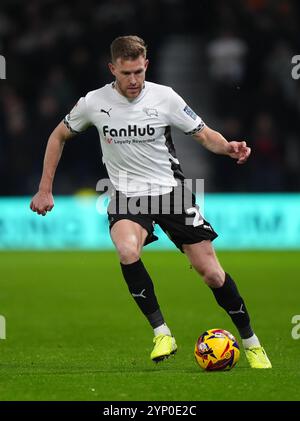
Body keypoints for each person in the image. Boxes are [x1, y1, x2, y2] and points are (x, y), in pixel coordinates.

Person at [30, 35, 271, 368]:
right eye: (126, 73)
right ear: (112, 68)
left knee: (212, 274)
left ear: (147, 66)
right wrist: (45, 188)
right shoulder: (93, 102)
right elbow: (58, 135)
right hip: (126, 194)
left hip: (170, 193)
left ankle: (251, 342)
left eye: (139, 72)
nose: (133, 81)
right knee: (127, 250)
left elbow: (203, 133)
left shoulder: (165, 98)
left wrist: (228, 146)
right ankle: (162, 333)